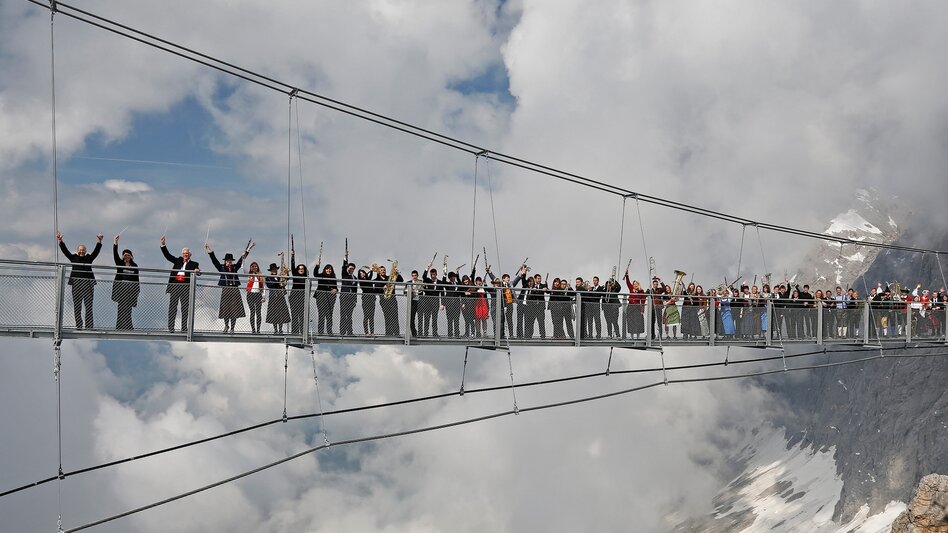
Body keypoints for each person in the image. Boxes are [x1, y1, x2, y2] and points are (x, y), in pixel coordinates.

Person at [57, 231, 103, 329]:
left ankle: (89, 326)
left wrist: (99, 241)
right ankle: (79, 326)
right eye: (80, 250)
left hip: (88, 284)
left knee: (88, 306)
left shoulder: (89, 258)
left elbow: (96, 252)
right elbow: (65, 251)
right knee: (77, 306)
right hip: (76, 284)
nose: (81, 251)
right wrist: (60, 241)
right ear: (77, 250)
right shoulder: (73, 257)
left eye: (83, 250)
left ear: (85, 251)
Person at [206, 242, 251, 333]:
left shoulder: (235, 267)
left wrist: (247, 251)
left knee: (234, 310)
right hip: (226, 290)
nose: (229, 262)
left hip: (234, 289)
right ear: (225, 261)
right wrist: (210, 251)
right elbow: (214, 261)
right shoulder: (221, 268)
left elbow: (241, 260)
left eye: (230, 261)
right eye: (227, 261)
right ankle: (226, 325)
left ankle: (232, 328)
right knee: (226, 309)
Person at [161, 235, 200, 333]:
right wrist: (163, 245)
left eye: (187, 253)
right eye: (184, 253)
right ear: (182, 254)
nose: (185, 255)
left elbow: (198, 272)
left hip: (185, 285)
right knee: (172, 306)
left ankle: (184, 328)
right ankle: (171, 327)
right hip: (175, 284)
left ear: (190, 254)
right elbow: (168, 256)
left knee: (185, 307)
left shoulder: (194, 263)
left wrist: (197, 271)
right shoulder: (178, 260)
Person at [111, 234, 139, 330]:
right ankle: (119, 326)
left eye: (128, 255)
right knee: (121, 308)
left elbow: (136, 279)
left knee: (128, 309)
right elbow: (115, 254)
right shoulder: (120, 263)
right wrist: (115, 242)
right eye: (125, 255)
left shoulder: (134, 266)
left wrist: (137, 290)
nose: (127, 256)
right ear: (123, 256)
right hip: (121, 288)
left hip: (130, 289)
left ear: (131, 256)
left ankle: (128, 326)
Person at [312, 261, 338, 336]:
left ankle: (329, 331)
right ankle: (320, 332)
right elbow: (315, 274)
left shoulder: (333, 278)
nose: (328, 270)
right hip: (321, 297)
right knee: (321, 314)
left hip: (330, 298)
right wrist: (317, 267)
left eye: (330, 269)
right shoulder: (321, 275)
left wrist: (336, 290)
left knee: (329, 315)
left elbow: (336, 287)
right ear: (324, 269)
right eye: (327, 269)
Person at [265, 263, 290, 334]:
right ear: (271, 270)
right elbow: (270, 285)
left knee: (281, 313)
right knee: (274, 313)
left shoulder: (280, 276)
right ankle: (275, 330)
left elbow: (287, 278)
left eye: (275, 269)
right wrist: (278, 279)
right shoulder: (268, 277)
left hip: (280, 296)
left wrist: (286, 272)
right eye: (273, 269)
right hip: (273, 297)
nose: (274, 270)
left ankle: (280, 329)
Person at [422, 263, 444, 337]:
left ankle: (435, 333)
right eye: (432, 274)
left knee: (435, 318)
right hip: (427, 302)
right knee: (426, 318)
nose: (433, 275)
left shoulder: (440, 282)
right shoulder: (428, 280)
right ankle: (425, 333)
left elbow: (442, 293)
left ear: (436, 274)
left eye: (434, 274)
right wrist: (427, 267)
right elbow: (423, 276)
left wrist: (442, 304)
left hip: (435, 302)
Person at [339, 249, 358, 336]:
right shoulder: (344, 274)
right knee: (343, 315)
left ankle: (350, 332)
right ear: (347, 268)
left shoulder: (355, 277)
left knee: (349, 316)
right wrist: (345, 258)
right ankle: (342, 332)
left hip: (351, 298)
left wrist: (355, 300)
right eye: (350, 268)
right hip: (344, 297)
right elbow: (343, 267)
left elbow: (355, 290)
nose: (351, 269)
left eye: (353, 268)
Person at [289, 250, 308, 335]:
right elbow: (292, 267)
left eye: (302, 268)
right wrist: (293, 256)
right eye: (299, 268)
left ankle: (302, 332)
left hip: (302, 297)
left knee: (302, 315)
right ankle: (294, 332)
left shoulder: (306, 278)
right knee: (294, 315)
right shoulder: (295, 275)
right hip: (294, 297)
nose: (301, 269)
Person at [623, 272, 645, 339]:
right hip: (630, 307)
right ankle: (632, 337)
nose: (635, 285)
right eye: (634, 284)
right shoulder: (631, 289)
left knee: (638, 322)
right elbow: (628, 283)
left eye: (636, 284)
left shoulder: (641, 291)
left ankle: (638, 337)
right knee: (631, 321)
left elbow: (643, 301)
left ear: (638, 284)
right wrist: (627, 276)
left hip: (637, 308)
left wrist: (642, 310)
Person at [359, 267, 379, 335]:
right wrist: (368, 271)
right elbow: (368, 279)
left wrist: (371, 270)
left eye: (363, 273)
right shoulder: (361, 281)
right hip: (365, 299)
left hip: (372, 299)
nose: (362, 274)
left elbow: (370, 275)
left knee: (371, 316)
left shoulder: (368, 279)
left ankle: (372, 332)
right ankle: (366, 332)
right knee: (366, 316)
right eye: (361, 274)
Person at [246, 262, 265, 333]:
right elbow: (243, 269)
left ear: (257, 267)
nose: (254, 267)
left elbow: (263, 286)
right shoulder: (249, 275)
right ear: (251, 268)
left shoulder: (260, 276)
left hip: (258, 294)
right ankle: (253, 330)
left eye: (255, 266)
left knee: (258, 313)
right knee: (252, 312)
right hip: (250, 294)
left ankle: (258, 330)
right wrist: (243, 259)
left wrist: (263, 296)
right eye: (253, 266)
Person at [602, 275, 622, 339]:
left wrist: (613, 280)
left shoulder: (615, 290)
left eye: (609, 284)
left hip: (614, 308)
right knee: (608, 322)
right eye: (607, 284)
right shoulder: (604, 291)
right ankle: (609, 335)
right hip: (606, 308)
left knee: (615, 322)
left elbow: (619, 287)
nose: (608, 285)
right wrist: (603, 307)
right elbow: (602, 299)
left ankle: (618, 335)